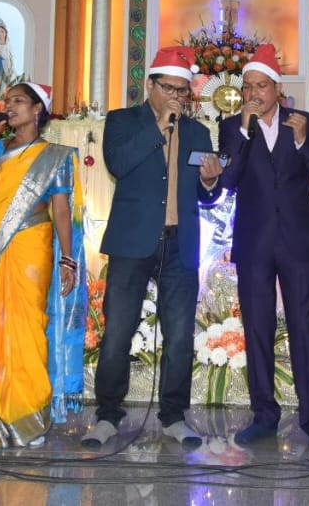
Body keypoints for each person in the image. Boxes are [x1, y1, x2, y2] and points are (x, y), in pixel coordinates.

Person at [82, 47, 224, 450]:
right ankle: (108, 415)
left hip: (181, 245)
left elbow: (205, 195)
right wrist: (159, 126)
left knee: (179, 336)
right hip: (132, 243)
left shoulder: (198, 133)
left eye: (182, 91)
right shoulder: (122, 121)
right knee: (117, 332)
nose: (176, 97)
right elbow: (118, 164)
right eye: (169, 89)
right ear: (150, 85)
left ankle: (174, 416)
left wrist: (211, 182)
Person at [217, 44, 309, 451]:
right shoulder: (232, 127)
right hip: (253, 242)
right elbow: (227, 181)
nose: (253, 93)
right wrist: (244, 133)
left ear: (277, 89)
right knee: (258, 328)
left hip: (297, 242)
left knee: (304, 327)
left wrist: (304, 143)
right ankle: (264, 416)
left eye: (261, 86)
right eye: (248, 87)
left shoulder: (302, 122)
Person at [0, 82, 85, 452]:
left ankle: (24, 414)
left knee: (26, 328)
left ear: (37, 109)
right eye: (7, 100)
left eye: (18, 101)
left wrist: (68, 258)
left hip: (31, 245)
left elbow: (61, 209)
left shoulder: (54, 156)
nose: (9, 106)